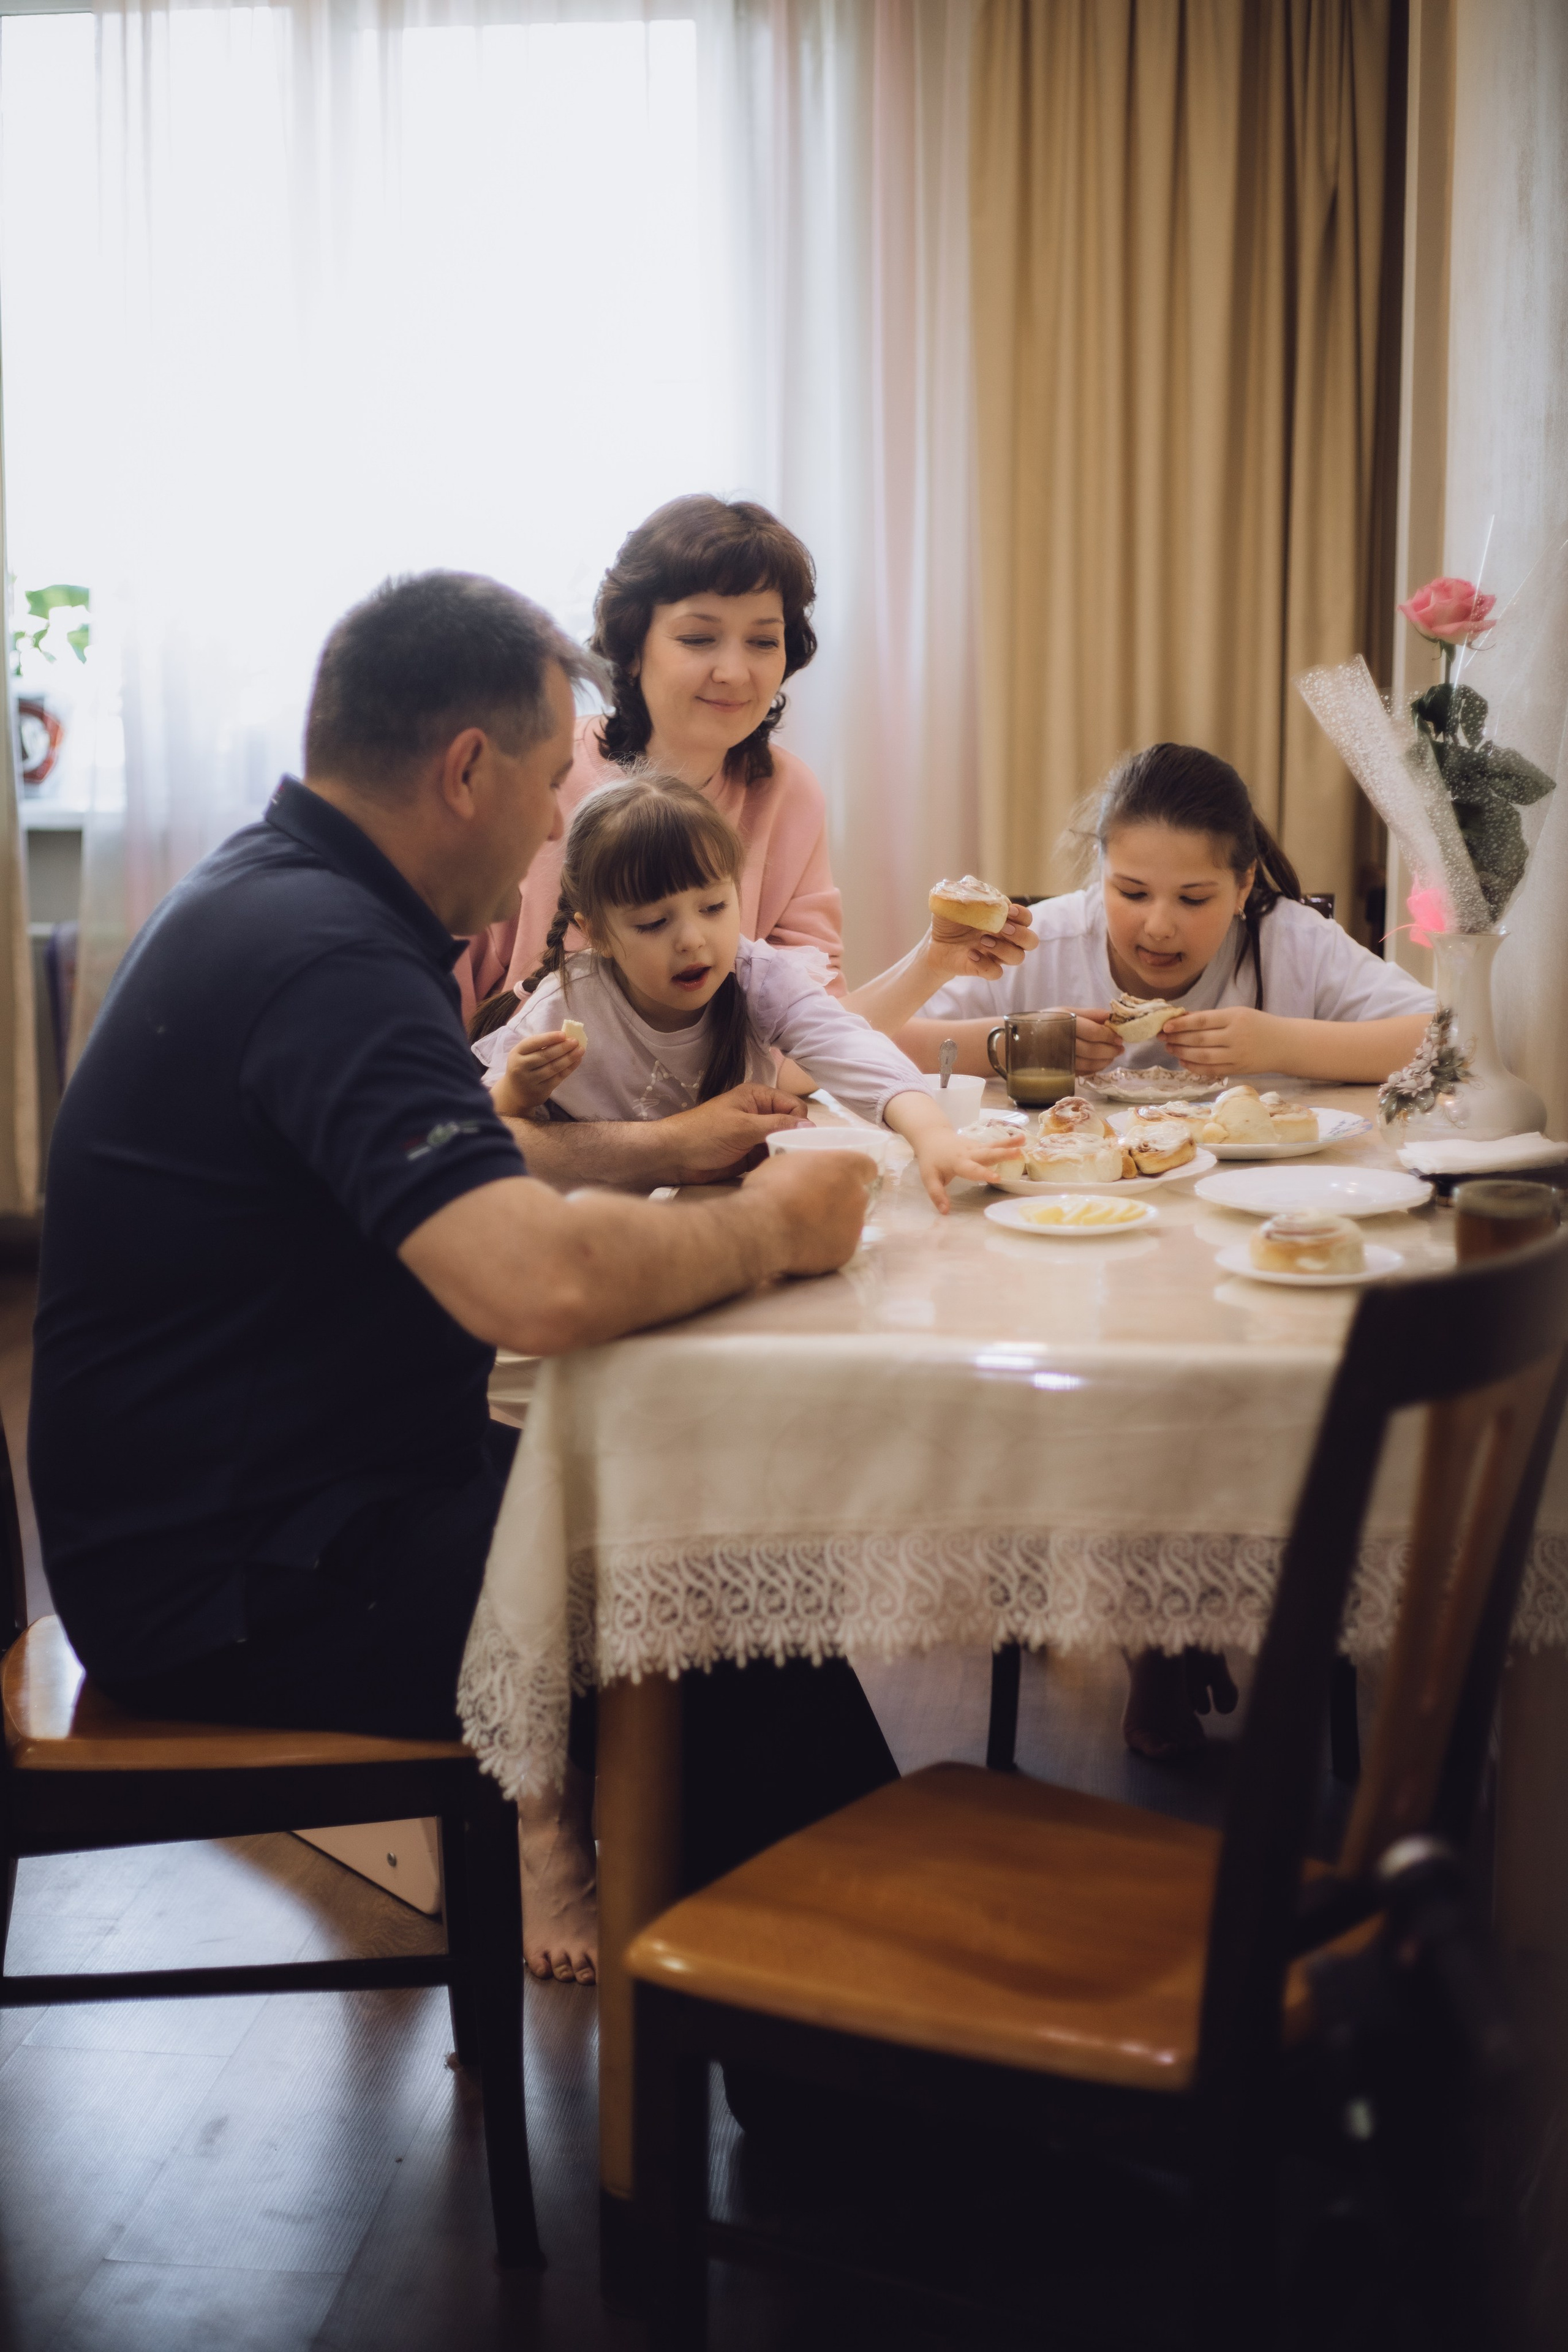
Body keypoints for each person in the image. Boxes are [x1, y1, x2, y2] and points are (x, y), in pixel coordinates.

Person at [28, 571, 893, 1988]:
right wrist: (773, 1228)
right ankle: (844, 2065)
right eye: (551, 783)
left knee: (728, 1555)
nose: (557, 823)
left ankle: (789, 2046)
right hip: (243, 1587)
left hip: (283, 1513)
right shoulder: (323, 957)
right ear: (467, 769)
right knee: (736, 1623)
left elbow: (493, 1184)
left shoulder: (284, 904)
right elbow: (534, 1285)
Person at [900, 741, 1436, 1758]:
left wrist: (1281, 1042)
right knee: (1117, 1374)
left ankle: (1194, 1613)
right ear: (1097, 874)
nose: (1157, 926)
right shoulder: (1051, 939)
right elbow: (883, 1041)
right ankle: (1156, 1630)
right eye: (1130, 891)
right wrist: (1016, 1042)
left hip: (1246, 1230)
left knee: (1228, 1373)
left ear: (1244, 885)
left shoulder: (1287, 942)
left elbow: (1438, 1037)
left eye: (1194, 899)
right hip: (1061, 1240)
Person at [459, 491, 1041, 1045]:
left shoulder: (787, 795)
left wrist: (935, 961)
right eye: (698, 638)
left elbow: (811, 1035)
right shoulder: (542, 772)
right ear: (632, 648)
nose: (735, 673)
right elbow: (445, 999)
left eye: (763, 642)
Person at [473, 772, 1013, 1213]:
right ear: (597, 934)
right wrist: (517, 1091)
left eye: (713, 907)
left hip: (718, 1222)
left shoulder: (757, 975)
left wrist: (932, 1133)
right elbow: (480, 1135)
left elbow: (848, 1045)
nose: (692, 940)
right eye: (654, 923)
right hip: (594, 1233)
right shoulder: (564, 1006)